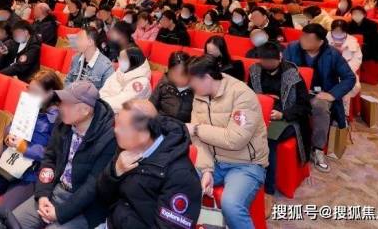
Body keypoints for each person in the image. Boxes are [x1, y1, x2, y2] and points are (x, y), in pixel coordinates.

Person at [12, 80, 116, 229]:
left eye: (68, 104)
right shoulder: (64, 121)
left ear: (85, 110)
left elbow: (92, 186)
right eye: (61, 102)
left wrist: (59, 213)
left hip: (84, 207)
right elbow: (49, 159)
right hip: (55, 190)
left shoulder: (109, 138)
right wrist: (43, 194)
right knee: (13, 221)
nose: (60, 107)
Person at [186, 55, 268, 229]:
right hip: (215, 161)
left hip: (246, 164)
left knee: (231, 205)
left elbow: (235, 139)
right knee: (178, 185)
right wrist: (206, 170)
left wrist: (198, 129)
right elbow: (198, 139)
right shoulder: (200, 95)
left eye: (193, 81)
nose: (190, 85)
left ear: (207, 78)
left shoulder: (242, 95)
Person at [97, 100, 201, 229]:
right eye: (116, 124)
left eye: (122, 128)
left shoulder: (180, 176)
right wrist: (115, 171)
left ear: (144, 135)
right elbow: (102, 195)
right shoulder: (128, 146)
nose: (116, 131)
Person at [0, 70, 63, 209]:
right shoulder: (28, 105)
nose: (30, 94)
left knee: (4, 211)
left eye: (35, 92)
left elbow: (53, 153)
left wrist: (25, 148)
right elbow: (11, 126)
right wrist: (9, 136)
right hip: (10, 161)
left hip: (31, 174)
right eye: (29, 89)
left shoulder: (58, 118)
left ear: (50, 93)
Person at [282, 24, 356, 173]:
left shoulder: (332, 54)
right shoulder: (292, 48)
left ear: (320, 42)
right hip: (295, 92)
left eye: (308, 39)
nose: (303, 41)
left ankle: (317, 149)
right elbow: (283, 70)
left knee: (320, 106)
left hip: (320, 93)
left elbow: (350, 78)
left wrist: (332, 94)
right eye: (302, 37)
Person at [246, 42, 311, 200]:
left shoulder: (292, 74)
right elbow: (249, 96)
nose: (266, 64)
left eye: (270, 61)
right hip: (262, 114)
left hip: (287, 118)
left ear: (279, 59)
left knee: (268, 140)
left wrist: (282, 114)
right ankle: (248, 178)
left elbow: (305, 106)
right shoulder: (255, 71)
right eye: (264, 61)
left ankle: (268, 188)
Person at [327, 20, 362, 119]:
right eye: (336, 31)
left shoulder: (352, 42)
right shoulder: (325, 39)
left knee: (349, 85)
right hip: (328, 71)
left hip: (347, 71)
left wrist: (343, 71)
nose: (338, 33)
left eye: (341, 31)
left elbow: (357, 60)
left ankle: (343, 114)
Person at [99, 46, 151, 113]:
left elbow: (121, 104)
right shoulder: (121, 71)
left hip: (126, 114)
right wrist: (99, 101)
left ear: (132, 61)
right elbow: (105, 89)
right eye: (119, 58)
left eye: (122, 59)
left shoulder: (141, 83)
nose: (119, 61)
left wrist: (99, 103)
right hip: (106, 107)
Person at [149, 51, 193, 122]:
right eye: (175, 73)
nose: (178, 78)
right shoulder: (163, 84)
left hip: (183, 127)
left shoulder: (195, 89)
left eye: (182, 74)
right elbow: (151, 105)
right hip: (161, 124)